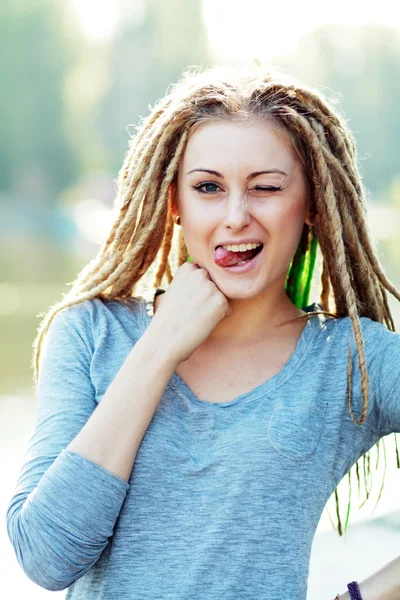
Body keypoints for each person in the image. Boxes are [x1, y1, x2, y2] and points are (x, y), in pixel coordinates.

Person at [5, 62, 400, 600]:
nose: (236, 216)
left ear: (310, 204)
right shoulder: (91, 332)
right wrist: (160, 348)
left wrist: (360, 597)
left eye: (265, 188)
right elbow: (47, 557)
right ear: (174, 202)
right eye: (208, 187)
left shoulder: (351, 360)